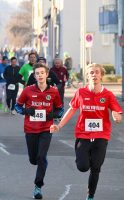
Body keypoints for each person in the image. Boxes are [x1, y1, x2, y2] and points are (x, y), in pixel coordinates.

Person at [50, 63, 122, 200]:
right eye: (91, 73)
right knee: (83, 167)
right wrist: (59, 126)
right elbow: (72, 110)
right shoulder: (81, 93)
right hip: (83, 134)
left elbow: (116, 110)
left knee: (96, 167)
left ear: (101, 75)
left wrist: (116, 115)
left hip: (101, 135)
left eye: (97, 72)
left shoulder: (108, 95)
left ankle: (90, 195)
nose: (94, 74)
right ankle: (84, 156)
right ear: (88, 76)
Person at [15, 63, 64, 199]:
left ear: (47, 74)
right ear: (34, 76)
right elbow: (17, 107)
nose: (40, 75)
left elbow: (60, 109)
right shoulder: (28, 90)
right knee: (34, 159)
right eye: (37, 73)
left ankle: (38, 186)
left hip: (46, 129)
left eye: (42, 73)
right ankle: (37, 160)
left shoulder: (53, 91)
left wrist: (53, 115)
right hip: (30, 129)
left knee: (42, 157)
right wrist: (26, 110)